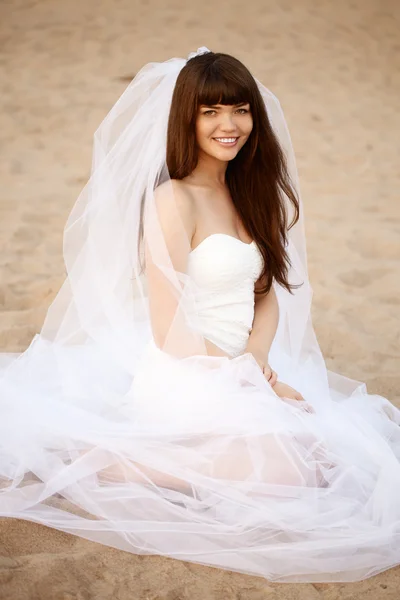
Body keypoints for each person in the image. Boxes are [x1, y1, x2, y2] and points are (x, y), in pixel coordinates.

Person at [0, 47, 399, 584]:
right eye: (210, 112)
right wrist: (240, 377)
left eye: (239, 109)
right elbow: (170, 329)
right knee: (292, 473)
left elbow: (265, 292)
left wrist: (258, 362)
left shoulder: (247, 192)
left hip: (244, 365)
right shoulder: (173, 200)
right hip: (187, 373)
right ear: (187, 118)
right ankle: (113, 461)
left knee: (333, 459)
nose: (228, 125)